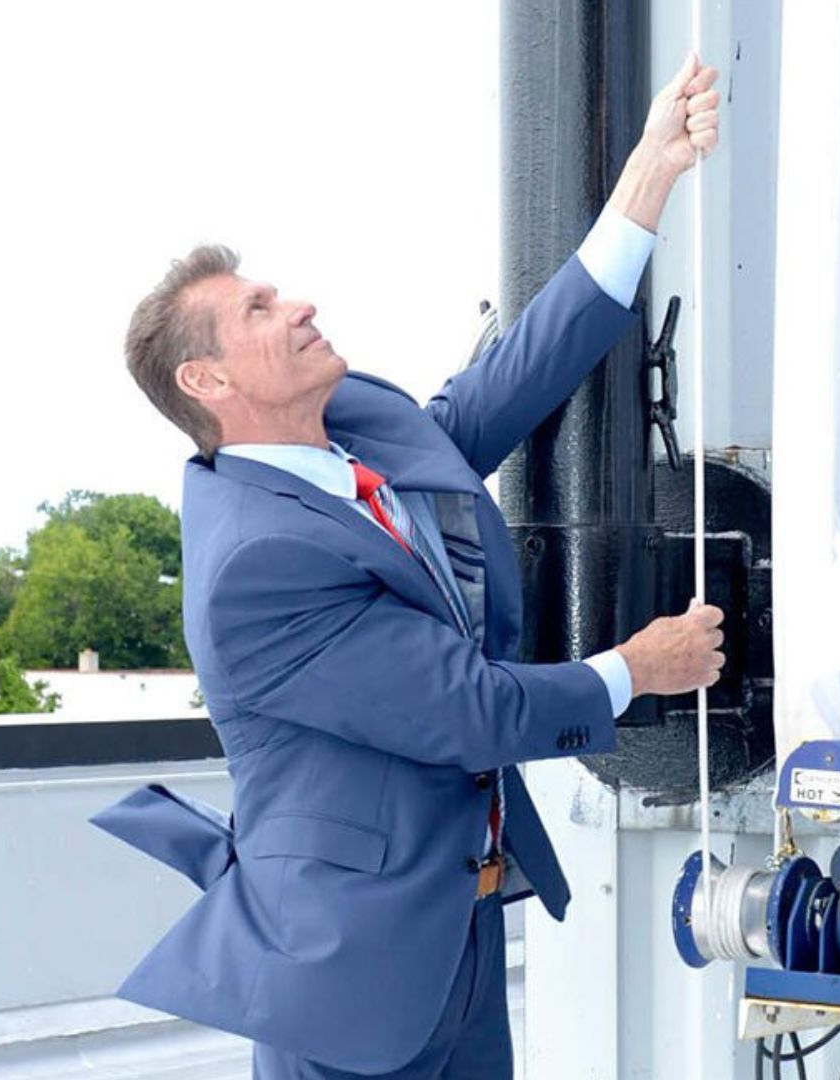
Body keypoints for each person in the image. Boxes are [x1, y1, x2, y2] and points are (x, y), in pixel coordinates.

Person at [98, 54, 722, 1079]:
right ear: (205, 379)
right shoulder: (256, 567)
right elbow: (465, 709)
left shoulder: (357, 433)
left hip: (457, 944)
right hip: (349, 982)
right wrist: (639, 669)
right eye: (258, 310)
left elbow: (499, 389)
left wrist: (645, 181)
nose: (296, 306)